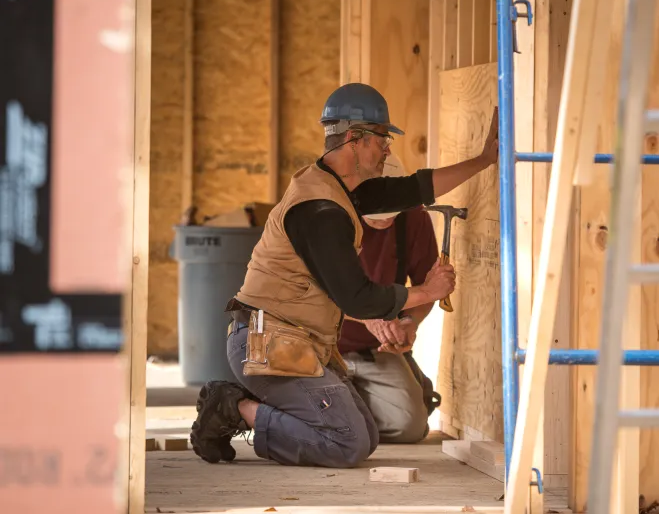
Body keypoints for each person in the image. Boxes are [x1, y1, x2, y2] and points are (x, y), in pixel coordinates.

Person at [189, 82, 498, 469]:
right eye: (382, 139)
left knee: (365, 435)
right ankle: (235, 407)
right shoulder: (321, 211)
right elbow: (357, 298)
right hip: (265, 344)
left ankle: (264, 407)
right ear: (355, 139)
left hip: (296, 342)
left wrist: (484, 160)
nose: (387, 149)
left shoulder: (340, 188)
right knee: (347, 443)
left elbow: (416, 188)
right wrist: (426, 291)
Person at [338, 153, 441, 445]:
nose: (383, 222)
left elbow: (427, 287)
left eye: (391, 210)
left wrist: (410, 322)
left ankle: (347, 411)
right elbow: (307, 291)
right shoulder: (329, 218)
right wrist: (368, 316)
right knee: (329, 423)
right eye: (374, 212)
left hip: (375, 351)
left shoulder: (413, 217)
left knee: (409, 426)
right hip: (319, 349)